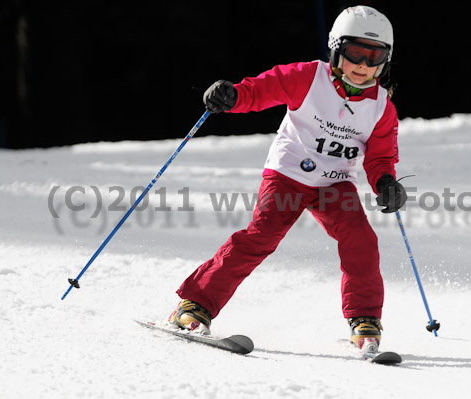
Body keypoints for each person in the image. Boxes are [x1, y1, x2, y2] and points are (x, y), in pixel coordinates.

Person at [168, 5, 407, 351]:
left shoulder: (381, 106)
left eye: (375, 57)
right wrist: (232, 96)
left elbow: (381, 156)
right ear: (337, 49)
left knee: (361, 239)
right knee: (262, 235)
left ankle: (365, 319)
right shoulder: (309, 78)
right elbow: (262, 90)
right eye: (356, 53)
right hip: (288, 174)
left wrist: (386, 181)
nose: (364, 66)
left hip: (334, 183)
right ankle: (194, 306)